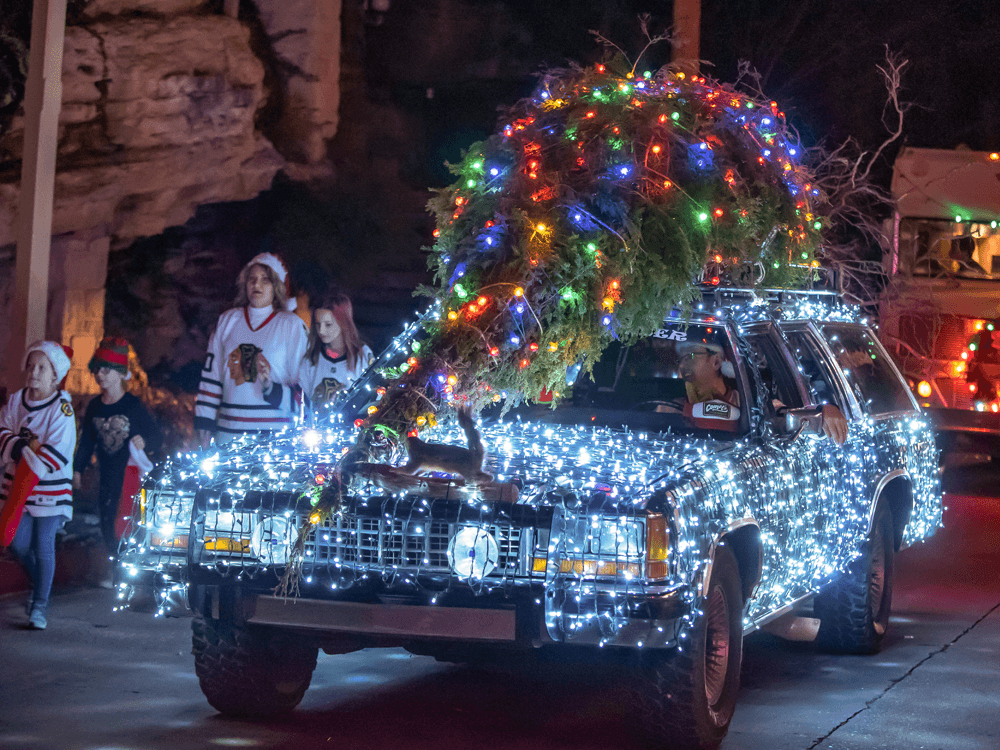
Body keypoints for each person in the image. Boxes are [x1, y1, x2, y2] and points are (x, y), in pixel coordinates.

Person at [1, 341, 77, 630]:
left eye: (42, 367)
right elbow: (3, 430)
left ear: (55, 375)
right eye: (31, 365)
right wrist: (19, 447)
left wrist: (31, 459)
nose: (34, 371)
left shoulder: (62, 408)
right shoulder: (16, 400)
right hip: (17, 487)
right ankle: (39, 583)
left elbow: (59, 447)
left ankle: (39, 606)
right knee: (17, 544)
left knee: (44, 545)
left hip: (49, 489)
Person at [195, 252, 308, 445]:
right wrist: (203, 423)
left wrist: (271, 389)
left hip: (275, 438)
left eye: (265, 280)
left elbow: (305, 388)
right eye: (252, 279)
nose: (257, 285)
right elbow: (211, 377)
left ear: (276, 286)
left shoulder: (292, 325)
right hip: (228, 433)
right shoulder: (227, 320)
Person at [73, 337, 161, 556]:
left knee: (123, 521)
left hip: (129, 474)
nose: (100, 375)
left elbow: (155, 434)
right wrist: (78, 468)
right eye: (98, 371)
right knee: (105, 517)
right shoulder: (95, 407)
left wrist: (145, 442)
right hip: (105, 473)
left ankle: (124, 566)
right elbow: (87, 440)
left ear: (120, 373)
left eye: (106, 371)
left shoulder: (132, 405)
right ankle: (116, 564)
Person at [296, 289, 374, 418]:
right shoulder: (311, 358)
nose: (321, 330)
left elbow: (370, 396)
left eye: (328, 324)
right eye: (318, 324)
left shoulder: (363, 355)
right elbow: (302, 397)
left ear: (343, 322)